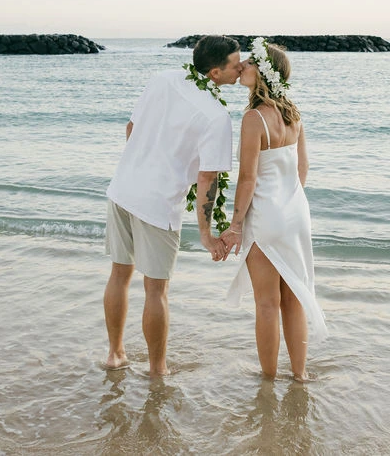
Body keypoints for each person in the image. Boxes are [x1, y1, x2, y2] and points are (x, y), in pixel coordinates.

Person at [103, 35, 243, 376]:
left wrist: (142, 165)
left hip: (123, 189)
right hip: (158, 203)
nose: (241, 69)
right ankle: (157, 369)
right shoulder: (216, 116)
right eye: (235, 65)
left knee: (119, 275)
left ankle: (115, 354)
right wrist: (208, 235)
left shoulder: (162, 79)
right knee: (156, 289)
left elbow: (131, 128)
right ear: (214, 72)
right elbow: (208, 178)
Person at [222, 38, 326, 381]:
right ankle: (300, 376)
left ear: (263, 73)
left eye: (250, 63)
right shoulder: (293, 115)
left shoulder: (254, 118)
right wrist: (288, 200)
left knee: (266, 304)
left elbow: (248, 178)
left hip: (266, 217)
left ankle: (268, 381)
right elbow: (303, 169)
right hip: (296, 213)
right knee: (293, 298)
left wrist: (236, 224)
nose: (242, 67)